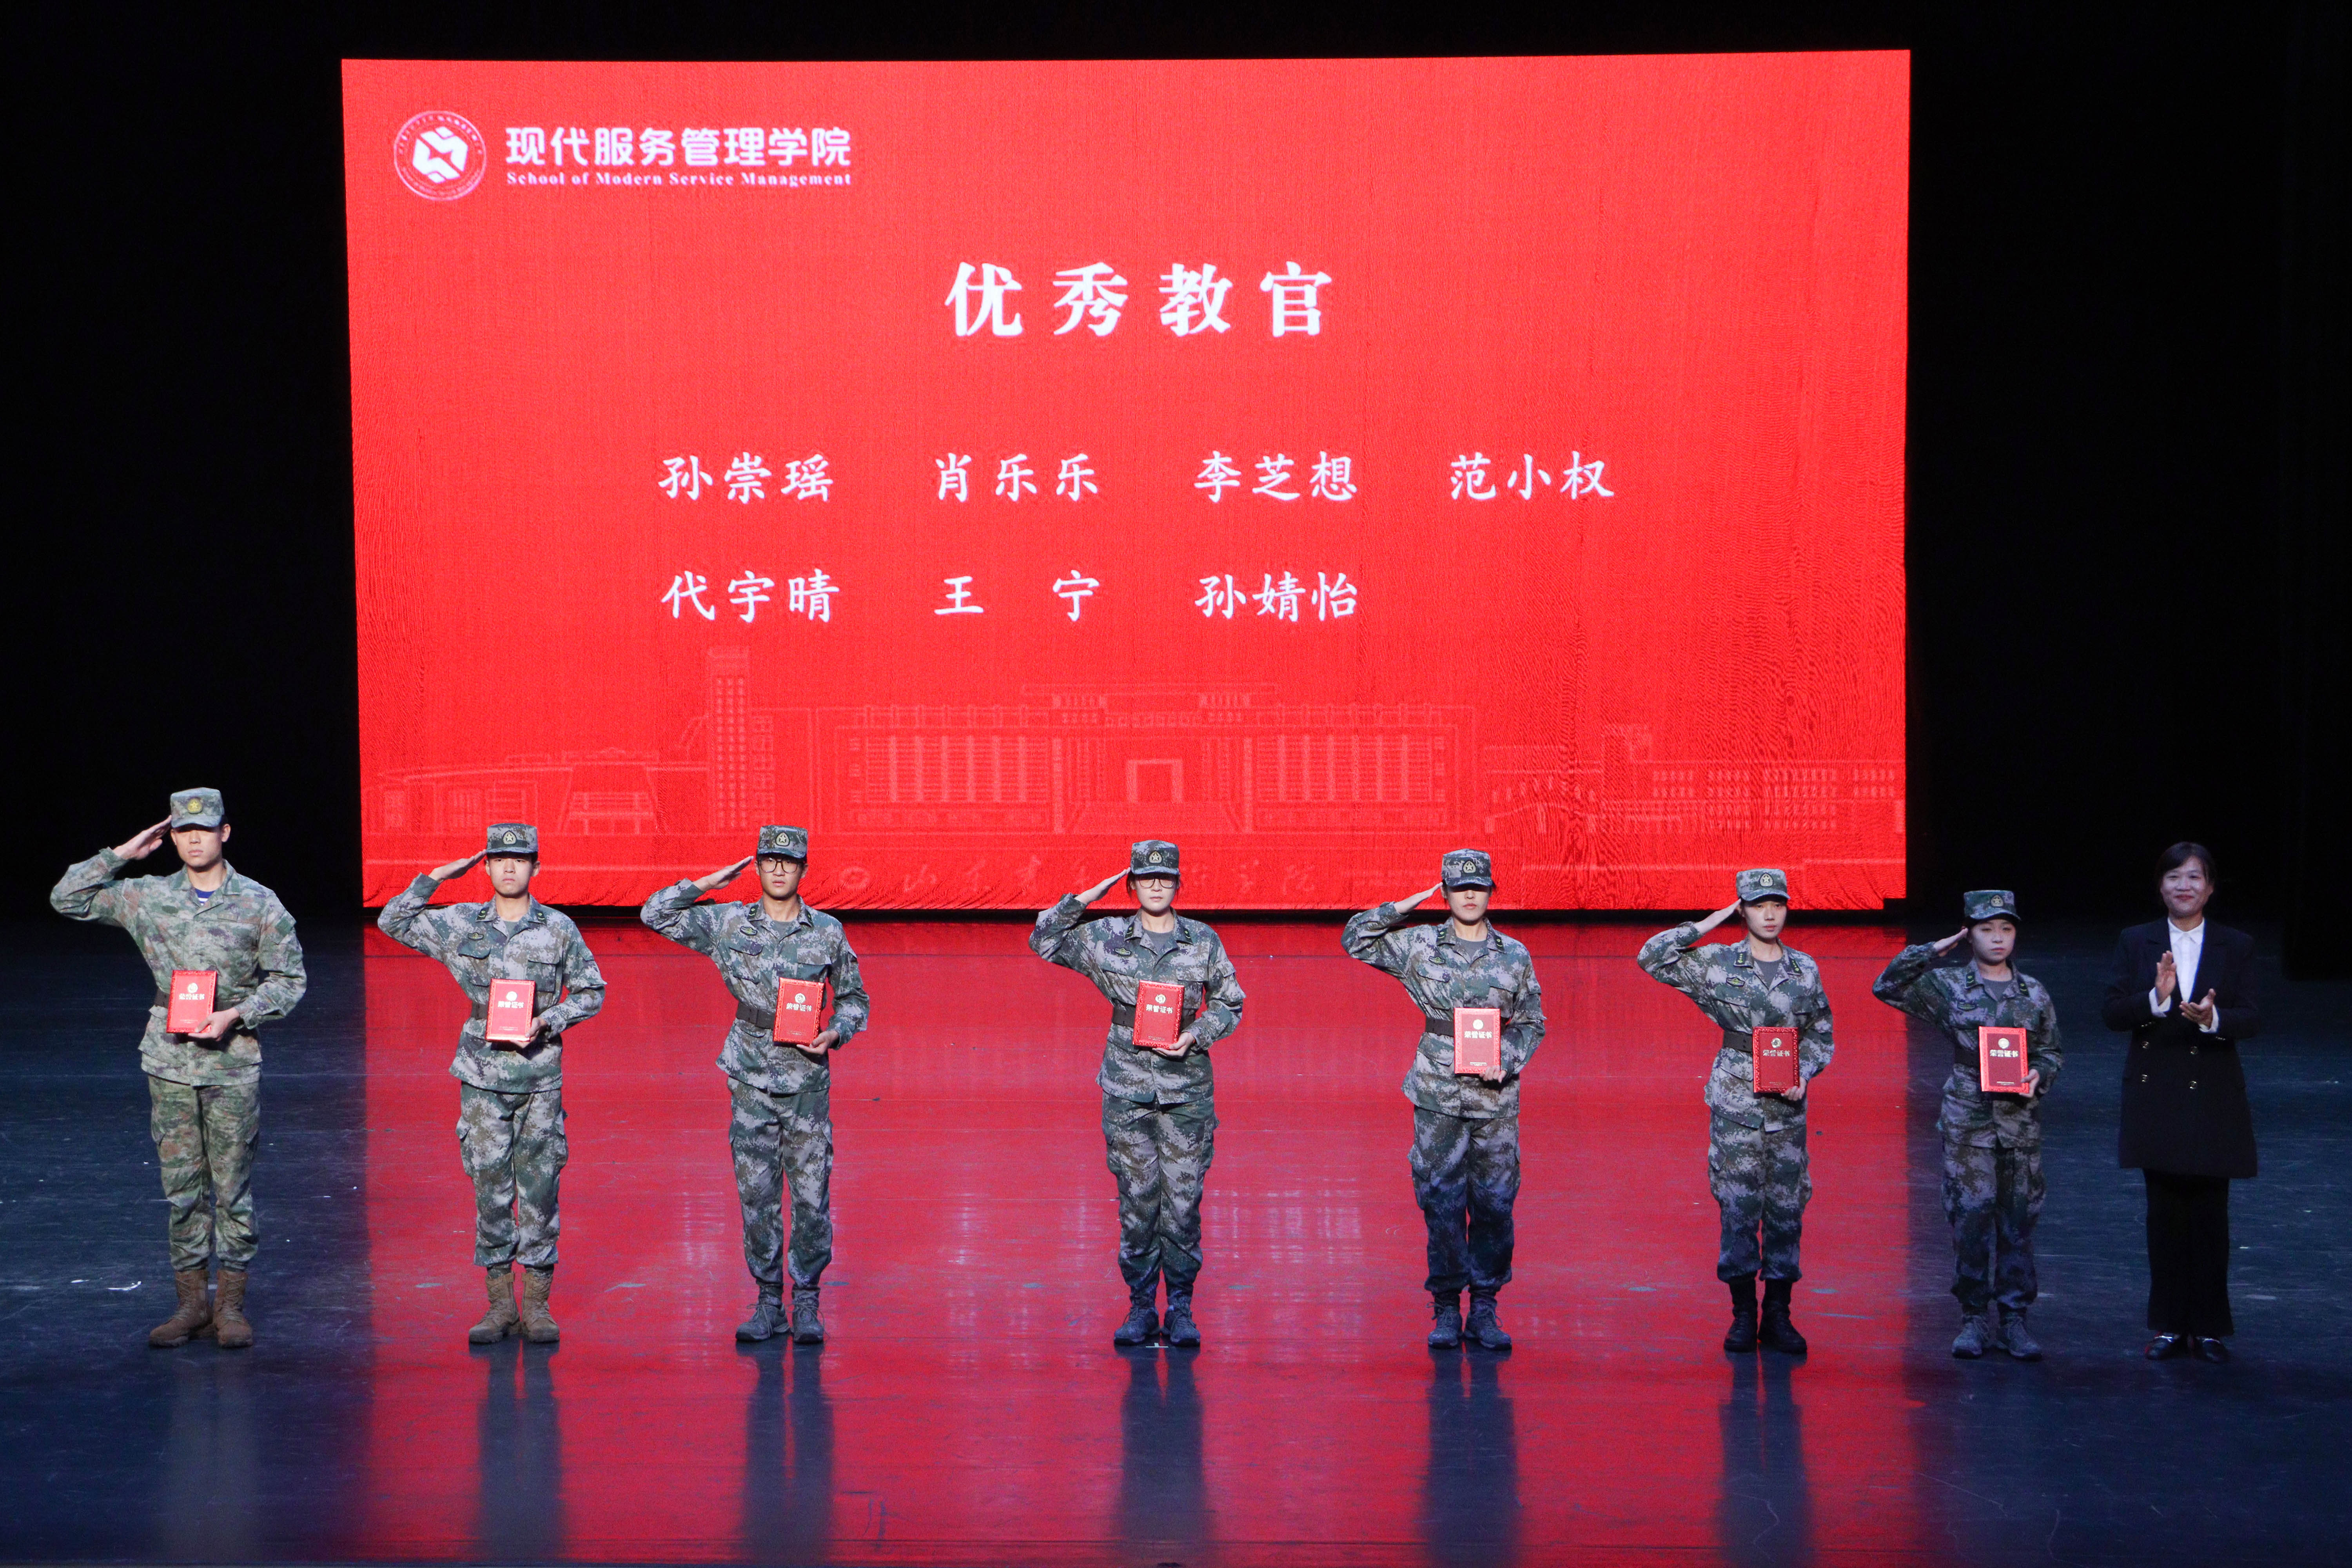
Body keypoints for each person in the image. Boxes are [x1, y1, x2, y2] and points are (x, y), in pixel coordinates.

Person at [50, 789, 307, 1349]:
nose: (194, 839)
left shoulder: (258, 902)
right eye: (183, 831)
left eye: (204, 829)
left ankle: (230, 1306)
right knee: (182, 1188)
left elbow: (290, 980)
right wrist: (122, 853)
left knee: (232, 1187)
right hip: (169, 1061)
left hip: (231, 1062)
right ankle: (191, 1304)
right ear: (171, 838)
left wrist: (237, 1014)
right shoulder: (149, 896)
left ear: (225, 833)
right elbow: (66, 898)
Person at [378, 824, 606, 1346]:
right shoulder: (461, 922)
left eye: (519, 859)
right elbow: (393, 921)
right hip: (481, 1075)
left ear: (536, 867)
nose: (509, 867)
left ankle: (538, 1306)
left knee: (540, 1189)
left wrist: (550, 1020)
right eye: (499, 858)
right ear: (485, 867)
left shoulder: (558, 928)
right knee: (489, 1186)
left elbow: (592, 991)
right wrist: (436, 877)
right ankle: (500, 1305)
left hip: (539, 1075)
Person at [641, 824, 869, 1345]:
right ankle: (769, 1302)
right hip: (750, 1075)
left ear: (803, 869)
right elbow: (655, 914)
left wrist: (837, 1032)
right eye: (770, 861)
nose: (779, 870)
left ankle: (807, 1300)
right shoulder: (729, 923)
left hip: (806, 1078)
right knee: (758, 1197)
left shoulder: (827, 931)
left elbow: (855, 998)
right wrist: (705, 884)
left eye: (790, 862)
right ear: (759, 866)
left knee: (811, 1198)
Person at [1032, 841, 1246, 1348]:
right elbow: (1044, 939)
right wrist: (1086, 897)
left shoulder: (1202, 940)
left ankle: (1182, 1308)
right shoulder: (1107, 937)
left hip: (1186, 1091)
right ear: (1131, 885)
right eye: (1146, 878)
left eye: (1165, 878)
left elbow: (1231, 1002)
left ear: (1178, 883)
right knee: (1138, 1204)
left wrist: (1197, 1034)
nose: (1156, 886)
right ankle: (1142, 1306)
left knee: (1183, 1206)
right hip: (1128, 1091)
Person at [1343, 850, 1546, 1351]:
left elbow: (1531, 1021)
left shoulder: (1514, 954)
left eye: (1478, 887)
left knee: (1495, 1203)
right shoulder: (1419, 945)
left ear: (1491, 892)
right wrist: (1402, 907)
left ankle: (1486, 1305)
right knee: (1441, 1202)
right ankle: (1447, 1307)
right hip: (1438, 1092)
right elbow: (1355, 939)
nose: (1470, 895)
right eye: (1459, 888)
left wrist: (1508, 1058)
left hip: (1494, 1097)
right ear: (1446, 892)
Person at [1637, 869, 1833, 1356]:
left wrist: (1806, 1072)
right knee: (1738, 1207)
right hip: (1736, 1102)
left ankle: (1780, 1313)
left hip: (1787, 1106)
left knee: (1787, 1210)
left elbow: (1821, 1032)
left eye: (1777, 905)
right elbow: (1651, 956)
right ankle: (1744, 1312)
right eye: (1758, 905)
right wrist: (1708, 922)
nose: (1770, 914)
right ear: (1742, 910)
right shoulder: (1717, 963)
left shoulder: (1804, 969)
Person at [1872, 891, 2062, 1359]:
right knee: (1971, 1217)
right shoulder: (1949, 986)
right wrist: (1930, 951)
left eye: (2006, 929)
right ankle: (1974, 1316)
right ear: (1969, 933)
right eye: (1986, 929)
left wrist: (2039, 1074)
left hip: (2018, 1121)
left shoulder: (2033, 992)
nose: (1998, 938)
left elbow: (2050, 1050)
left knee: (2018, 1222)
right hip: (1969, 1118)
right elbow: (1887, 986)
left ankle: (2014, 1319)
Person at [2102, 842, 2259, 1364]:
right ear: (2161, 887)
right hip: (2158, 1092)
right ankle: (2170, 1325)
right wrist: (2156, 999)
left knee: (2211, 1217)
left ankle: (2210, 1328)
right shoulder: (2136, 940)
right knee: (2165, 1216)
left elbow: (2252, 1017)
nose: (2184, 886)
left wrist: (2214, 1020)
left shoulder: (2236, 944)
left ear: (2210, 888)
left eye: (2194, 877)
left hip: (2213, 1092)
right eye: (2174, 877)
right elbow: (2112, 1013)